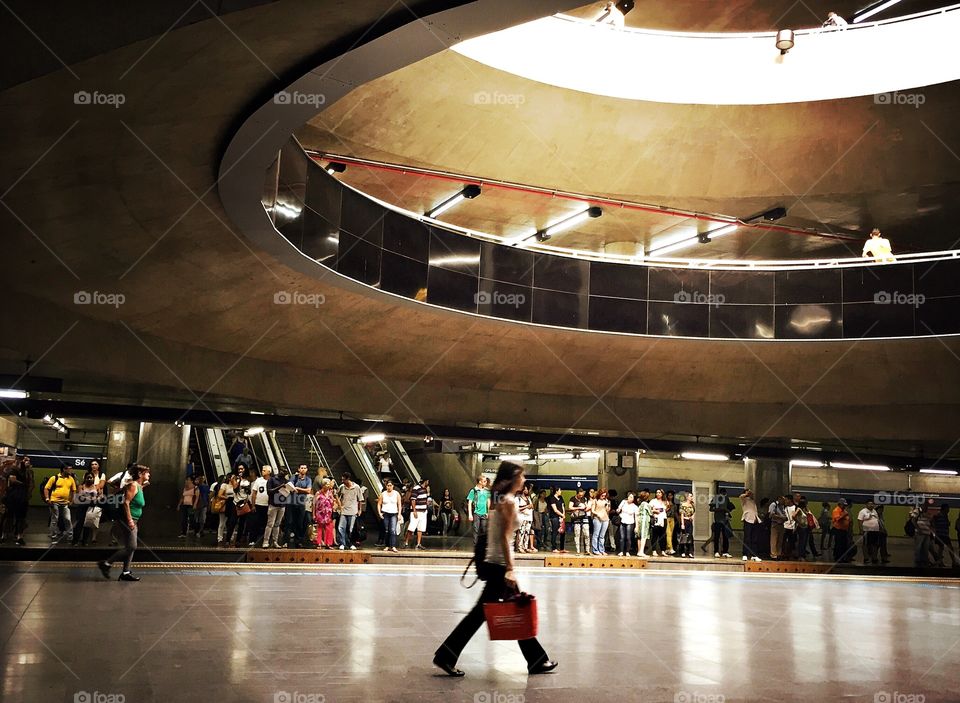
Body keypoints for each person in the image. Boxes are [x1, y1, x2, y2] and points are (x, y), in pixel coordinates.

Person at [433, 462, 557, 678]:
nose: (525, 479)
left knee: (490, 611)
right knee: (509, 609)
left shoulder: (498, 499)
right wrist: (510, 568)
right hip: (500, 566)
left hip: (495, 563)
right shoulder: (508, 501)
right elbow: (505, 537)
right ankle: (536, 660)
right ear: (511, 478)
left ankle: (536, 659)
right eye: (522, 475)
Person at [98, 464, 150, 582]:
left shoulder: (138, 486)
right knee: (132, 547)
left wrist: (143, 486)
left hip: (133, 519)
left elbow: (136, 499)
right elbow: (126, 503)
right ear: (140, 474)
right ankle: (106, 563)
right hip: (127, 520)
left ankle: (125, 572)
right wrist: (130, 520)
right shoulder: (133, 485)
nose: (149, 474)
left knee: (129, 547)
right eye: (147, 472)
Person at [0, 456, 32, 546]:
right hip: (12, 496)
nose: (27, 462)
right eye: (25, 460)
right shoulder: (14, 470)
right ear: (20, 461)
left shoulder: (29, 472)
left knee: (21, 518)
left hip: (23, 498)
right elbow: (12, 480)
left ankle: (19, 537)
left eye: (28, 461)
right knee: (8, 517)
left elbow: (31, 484)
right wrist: (23, 484)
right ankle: (3, 536)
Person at [44, 465, 77, 542]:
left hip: (65, 503)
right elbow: (46, 488)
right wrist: (47, 498)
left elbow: (74, 490)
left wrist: (72, 500)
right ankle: (53, 535)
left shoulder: (71, 479)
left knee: (67, 519)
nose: (71, 471)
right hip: (54, 501)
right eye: (69, 469)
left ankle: (70, 536)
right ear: (64, 469)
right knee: (55, 519)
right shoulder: (54, 478)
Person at [262, 466, 290, 548]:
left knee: (277, 524)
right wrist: (280, 487)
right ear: (279, 471)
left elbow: (287, 494)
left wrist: (290, 491)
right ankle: (266, 541)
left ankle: (275, 541)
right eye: (283, 471)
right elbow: (269, 491)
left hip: (282, 504)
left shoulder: (285, 480)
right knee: (270, 523)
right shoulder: (272, 479)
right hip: (273, 504)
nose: (284, 474)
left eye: (285, 473)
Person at [336, 472, 363, 550]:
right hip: (344, 510)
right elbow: (337, 494)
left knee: (350, 529)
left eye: (344, 480)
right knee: (341, 527)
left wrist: (359, 509)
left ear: (348, 479)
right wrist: (339, 505)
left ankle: (350, 543)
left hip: (353, 510)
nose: (342, 481)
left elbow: (360, 499)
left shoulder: (356, 487)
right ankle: (342, 543)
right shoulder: (342, 487)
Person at [71, 472, 99, 546]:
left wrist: (94, 499)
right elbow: (80, 497)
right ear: (85, 478)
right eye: (88, 477)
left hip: (90, 508)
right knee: (79, 524)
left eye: (91, 477)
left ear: (93, 478)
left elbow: (99, 496)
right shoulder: (81, 486)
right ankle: (75, 541)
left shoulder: (96, 487)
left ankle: (85, 541)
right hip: (81, 508)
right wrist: (91, 499)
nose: (89, 479)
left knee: (88, 524)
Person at [248, 466, 271, 546]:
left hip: (268, 505)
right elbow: (254, 493)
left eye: (264, 470)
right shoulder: (258, 480)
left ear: (269, 472)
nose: (262, 471)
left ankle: (263, 540)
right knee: (254, 523)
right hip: (258, 505)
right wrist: (253, 505)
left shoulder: (271, 480)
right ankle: (252, 539)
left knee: (265, 524)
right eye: (262, 470)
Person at [377, 479, 401, 552]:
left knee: (393, 530)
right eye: (388, 485)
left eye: (390, 485)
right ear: (386, 486)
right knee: (387, 530)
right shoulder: (383, 494)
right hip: (385, 513)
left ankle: (393, 545)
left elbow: (399, 504)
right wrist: (379, 513)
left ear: (393, 486)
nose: (389, 487)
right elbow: (379, 504)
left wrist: (399, 514)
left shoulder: (396, 493)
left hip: (394, 513)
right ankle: (387, 545)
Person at [406, 478, 430, 550]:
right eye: (428, 481)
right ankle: (406, 542)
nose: (428, 482)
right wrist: (414, 510)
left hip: (423, 511)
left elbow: (425, 499)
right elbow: (413, 500)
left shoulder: (425, 489)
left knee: (421, 528)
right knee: (411, 528)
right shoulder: (416, 488)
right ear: (425, 481)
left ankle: (418, 543)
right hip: (416, 511)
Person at [932, 504, 959, 568]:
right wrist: (935, 528)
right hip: (941, 534)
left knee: (942, 548)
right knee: (949, 548)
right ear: (944, 509)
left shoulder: (945, 516)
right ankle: (953, 562)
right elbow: (933, 520)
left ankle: (940, 562)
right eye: (948, 508)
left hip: (944, 534)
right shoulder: (939, 515)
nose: (949, 510)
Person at [709, 489, 733, 558]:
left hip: (725, 520)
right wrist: (721, 509)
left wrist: (728, 512)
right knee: (717, 536)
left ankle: (725, 551)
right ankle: (716, 551)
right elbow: (711, 509)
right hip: (718, 520)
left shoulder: (726, 498)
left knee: (726, 536)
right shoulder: (716, 498)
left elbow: (728, 507)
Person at [739, 489, 763, 562]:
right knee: (747, 538)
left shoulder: (752, 501)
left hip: (755, 521)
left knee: (754, 539)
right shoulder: (744, 500)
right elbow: (741, 496)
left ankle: (754, 555)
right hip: (748, 520)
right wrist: (747, 494)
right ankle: (745, 554)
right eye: (748, 492)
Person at [467, 476, 491, 545]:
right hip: (476, 513)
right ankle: (475, 544)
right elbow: (470, 502)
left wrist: (488, 512)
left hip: (484, 513)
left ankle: (483, 544)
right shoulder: (473, 491)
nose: (486, 483)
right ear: (480, 482)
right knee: (476, 529)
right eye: (484, 481)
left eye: (486, 481)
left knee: (484, 529)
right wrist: (470, 514)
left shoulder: (487, 491)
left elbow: (488, 501)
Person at [314, 479, 337, 549]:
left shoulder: (330, 493)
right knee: (320, 528)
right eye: (327, 484)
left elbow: (333, 502)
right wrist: (313, 514)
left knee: (329, 528)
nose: (328, 485)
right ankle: (319, 543)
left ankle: (328, 544)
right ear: (323, 485)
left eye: (329, 484)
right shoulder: (318, 493)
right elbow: (314, 504)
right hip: (320, 513)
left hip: (328, 513)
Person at [216, 474, 238, 547]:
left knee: (232, 521)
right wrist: (227, 497)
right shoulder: (224, 485)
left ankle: (231, 536)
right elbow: (219, 495)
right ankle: (220, 538)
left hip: (234, 504)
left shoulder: (237, 485)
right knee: (222, 522)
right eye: (233, 478)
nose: (234, 479)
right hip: (226, 503)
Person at [857, 499, 882, 565]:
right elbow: (859, 520)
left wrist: (879, 528)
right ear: (866, 504)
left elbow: (877, 520)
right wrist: (861, 530)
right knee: (866, 544)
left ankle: (874, 558)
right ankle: (866, 558)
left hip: (875, 531)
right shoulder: (863, 511)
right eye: (869, 504)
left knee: (875, 544)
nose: (871, 505)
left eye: (872, 504)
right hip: (867, 530)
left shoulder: (874, 511)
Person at [567, 488, 590, 555]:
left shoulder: (584, 499)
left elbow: (587, 506)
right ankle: (578, 550)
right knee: (577, 534)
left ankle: (587, 550)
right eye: (579, 495)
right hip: (576, 517)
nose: (581, 496)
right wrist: (579, 508)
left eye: (582, 495)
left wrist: (586, 508)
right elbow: (570, 507)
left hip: (584, 517)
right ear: (577, 494)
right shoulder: (572, 499)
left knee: (586, 533)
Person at [617, 492, 638, 557]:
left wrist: (636, 526)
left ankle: (627, 551)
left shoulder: (635, 506)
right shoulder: (623, 502)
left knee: (628, 537)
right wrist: (618, 510)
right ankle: (621, 551)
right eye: (629, 497)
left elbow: (636, 517)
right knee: (622, 537)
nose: (630, 498)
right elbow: (618, 510)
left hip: (630, 522)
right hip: (622, 521)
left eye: (632, 497)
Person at [590, 488, 610, 556]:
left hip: (605, 519)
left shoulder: (606, 500)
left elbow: (607, 510)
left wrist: (607, 505)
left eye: (604, 495)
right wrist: (597, 514)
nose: (603, 496)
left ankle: (602, 550)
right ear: (599, 494)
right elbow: (592, 510)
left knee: (602, 536)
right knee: (596, 535)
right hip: (597, 518)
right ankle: (595, 550)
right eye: (602, 495)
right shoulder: (595, 500)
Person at [832, 499, 853, 563]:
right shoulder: (836, 510)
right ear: (840, 504)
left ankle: (843, 557)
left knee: (844, 544)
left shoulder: (844, 511)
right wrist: (844, 515)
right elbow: (837, 519)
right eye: (844, 505)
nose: (845, 506)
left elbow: (848, 520)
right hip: (838, 530)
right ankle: (837, 557)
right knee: (839, 544)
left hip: (844, 530)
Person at [649, 489, 668, 556]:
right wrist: (655, 511)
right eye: (657, 492)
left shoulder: (665, 502)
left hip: (663, 519)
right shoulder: (653, 501)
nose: (658, 494)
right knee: (655, 535)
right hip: (656, 519)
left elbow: (666, 509)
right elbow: (649, 509)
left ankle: (663, 550)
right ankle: (654, 550)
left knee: (663, 535)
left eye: (659, 493)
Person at [546, 486, 566, 553]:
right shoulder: (552, 499)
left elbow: (563, 506)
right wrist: (561, 514)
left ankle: (562, 548)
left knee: (562, 532)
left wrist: (563, 515)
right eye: (560, 490)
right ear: (556, 491)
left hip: (561, 517)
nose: (561, 492)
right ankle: (554, 547)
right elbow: (555, 510)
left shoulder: (561, 498)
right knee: (555, 532)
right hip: (554, 517)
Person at [677, 492, 696, 558]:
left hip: (689, 521)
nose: (692, 497)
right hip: (684, 520)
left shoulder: (692, 504)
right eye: (690, 496)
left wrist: (692, 516)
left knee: (690, 536)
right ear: (687, 497)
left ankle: (690, 552)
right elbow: (681, 514)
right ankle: (682, 551)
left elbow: (694, 512)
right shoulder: (683, 504)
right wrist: (682, 524)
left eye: (692, 496)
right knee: (684, 536)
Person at [517, 483, 534, 553]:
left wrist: (531, 506)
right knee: (521, 532)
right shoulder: (518, 498)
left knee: (527, 532)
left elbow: (532, 506)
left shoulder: (529, 498)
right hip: (522, 517)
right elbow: (517, 508)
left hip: (529, 517)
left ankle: (525, 546)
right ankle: (519, 547)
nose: (527, 490)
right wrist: (526, 506)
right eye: (526, 489)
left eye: (527, 489)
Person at [192, 473, 209, 537]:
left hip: (203, 504)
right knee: (199, 518)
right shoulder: (197, 486)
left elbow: (208, 496)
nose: (202, 479)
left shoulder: (205, 486)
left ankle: (200, 531)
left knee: (201, 518)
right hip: (200, 504)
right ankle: (198, 530)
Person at [636, 489, 652, 557]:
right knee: (643, 536)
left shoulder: (640, 505)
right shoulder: (646, 504)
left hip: (639, 520)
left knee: (639, 537)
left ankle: (639, 551)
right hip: (644, 521)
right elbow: (650, 513)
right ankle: (641, 551)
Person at [664, 490, 676, 556]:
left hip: (672, 518)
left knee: (671, 534)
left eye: (671, 495)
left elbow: (675, 512)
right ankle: (670, 548)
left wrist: (678, 520)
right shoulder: (666, 502)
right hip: (667, 518)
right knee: (668, 533)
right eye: (669, 495)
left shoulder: (674, 503)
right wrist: (667, 507)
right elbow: (664, 510)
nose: (670, 496)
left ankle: (667, 548)